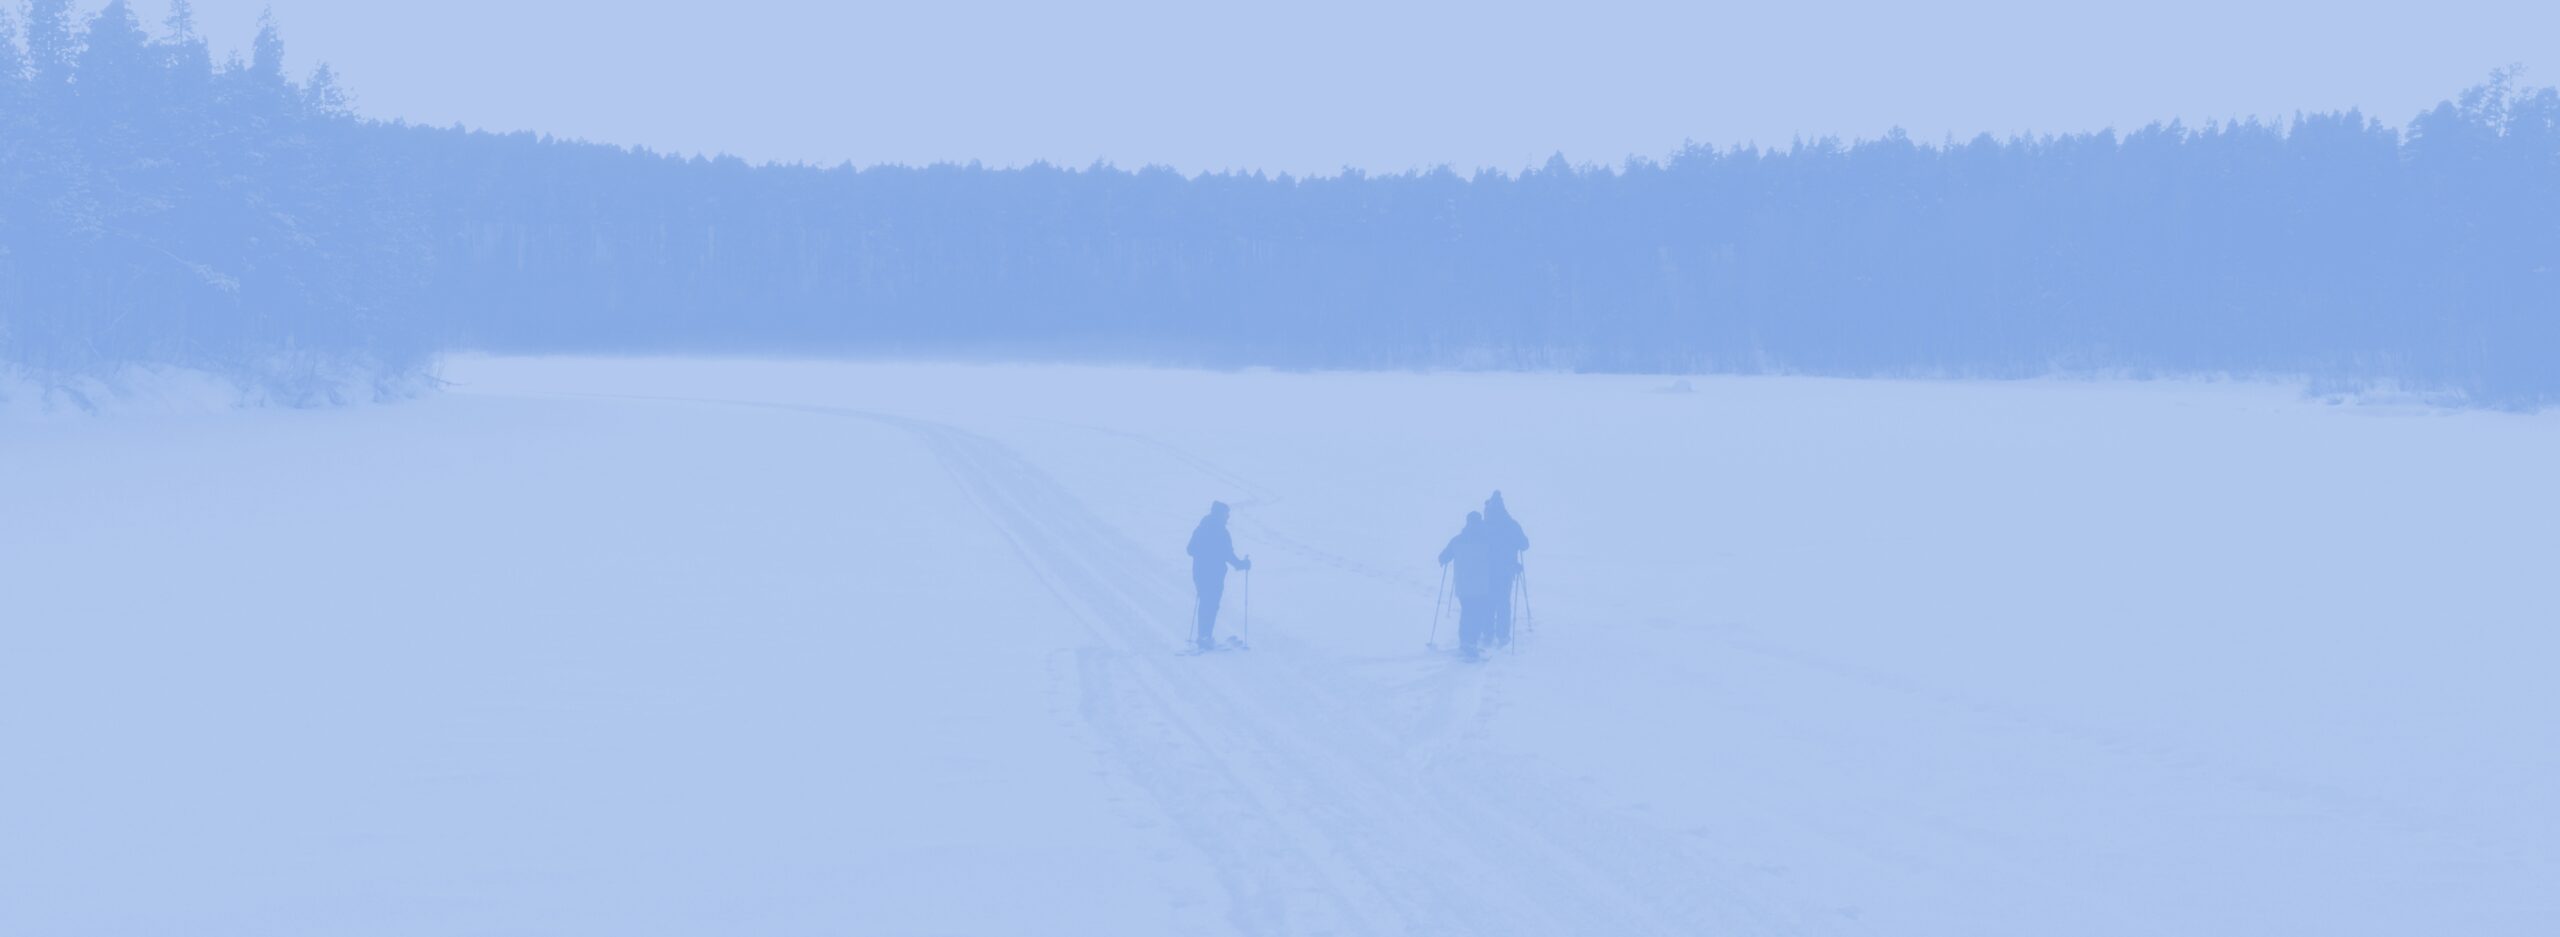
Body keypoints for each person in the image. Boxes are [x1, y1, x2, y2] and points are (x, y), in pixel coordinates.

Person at [1185, 501, 1251, 651]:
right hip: (1214, 575)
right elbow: (1228, 555)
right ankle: (1204, 637)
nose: (1228, 517)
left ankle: (1204, 636)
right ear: (1220, 514)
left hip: (1199, 573)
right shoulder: (1221, 532)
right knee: (1211, 604)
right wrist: (1243, 564)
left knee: (1206, 603)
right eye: (1226, 514)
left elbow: (1190, 549)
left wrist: (1203, 553)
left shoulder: (1201, 528)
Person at [1439, 511, 1499, 659]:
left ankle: (1465, 641)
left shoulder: (1457, 540)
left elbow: (1443, 557)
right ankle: (1471, 643)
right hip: (1482, 585)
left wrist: (1446, 560)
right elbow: (1496, 561)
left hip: (1463, 584)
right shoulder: (1487, 540)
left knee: (1467, 612)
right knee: (1477, 614)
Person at [1480, 491, 1530, 647]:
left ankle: (1488, 634)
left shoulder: (1484, 525)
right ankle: (1502, 636)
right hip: (1506, 571)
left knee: (1488, 602)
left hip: (1486, 570)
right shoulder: (1511, 524)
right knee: (1503, 602)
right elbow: (1524, 544)